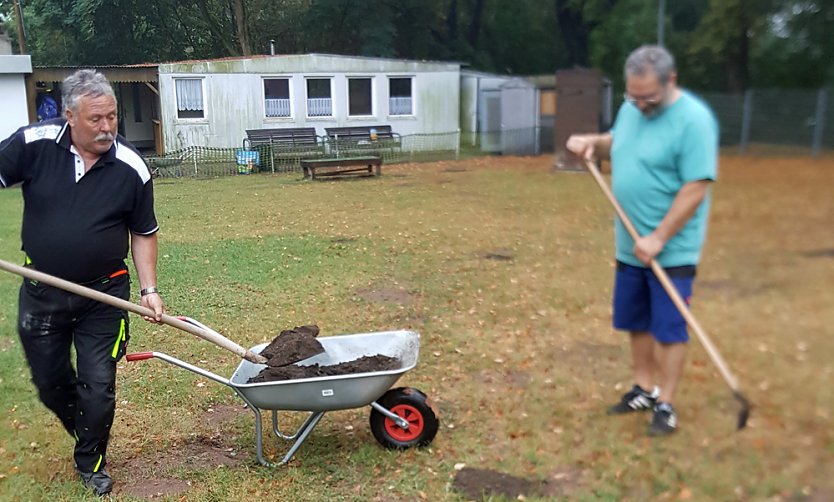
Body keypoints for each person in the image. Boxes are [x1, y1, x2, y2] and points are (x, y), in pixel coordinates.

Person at [0, 69, 165, 495]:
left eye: (112, 116)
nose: (108, 127)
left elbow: (143, 231)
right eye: (96, 119)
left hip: (104, 294)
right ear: (69, 116)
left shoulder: (130, 167)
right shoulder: (32, 145)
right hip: (42, 293)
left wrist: (149, 289)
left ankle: (91, 458)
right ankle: (84, 426)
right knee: (50, 382)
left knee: (98, 386)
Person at [566, 45, 718, 436]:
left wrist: (659, 237)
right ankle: (644, 388)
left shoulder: (694, 121)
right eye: (632, 96)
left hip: (671, 249)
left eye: (647, 97)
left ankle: (665, 402)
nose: (639, 104)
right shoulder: (632, 107)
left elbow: (696, 186)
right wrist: (591, 143)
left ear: (671, 81)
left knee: (669, 328)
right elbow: (617, 140)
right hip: (630, 245)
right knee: (637, 321)